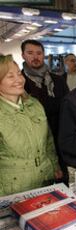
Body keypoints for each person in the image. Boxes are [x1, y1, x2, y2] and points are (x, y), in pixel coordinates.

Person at [0, 54, 62, 196]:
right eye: (10, 76)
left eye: (19, 74)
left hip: (44, 180)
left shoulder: (34, 104)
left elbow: (48, 140)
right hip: (12, 188)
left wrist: (54, 164)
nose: (19, 80)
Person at [21, 39, 69, 183]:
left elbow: (68, 106)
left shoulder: (58, 80)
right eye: (30, 53)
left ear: (44, 55)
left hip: (61, 138)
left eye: (39, 53)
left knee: (63, 184)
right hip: (36, 145)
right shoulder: (19, 81)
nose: (35, 57)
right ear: (23, 55)